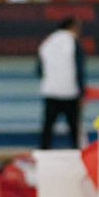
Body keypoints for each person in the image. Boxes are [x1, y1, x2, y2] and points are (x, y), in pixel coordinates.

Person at [36, 16, 85, 150]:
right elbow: (79, 68)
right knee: (74, 128)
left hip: (50, 91)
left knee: (47, 126)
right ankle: (77, 152)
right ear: (72, 27)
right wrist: (82, 92)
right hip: (70, 92)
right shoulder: (73, 41)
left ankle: (43, 151)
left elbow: (39, 70)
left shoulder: (47, 42)